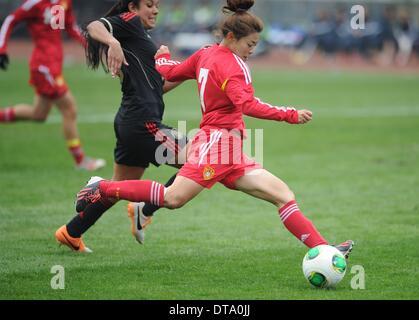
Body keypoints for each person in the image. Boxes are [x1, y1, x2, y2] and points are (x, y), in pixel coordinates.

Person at [57, 0, 354, 258]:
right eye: (250, 44)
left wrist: (160, 57)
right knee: (173, 198)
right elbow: (248, 105)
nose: (253, 50)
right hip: (216, 143)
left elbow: (170, 71)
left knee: (283, 195)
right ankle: (103, 188)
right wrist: (290, 114)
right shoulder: (233, 66)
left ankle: (324, 250)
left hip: (230, 148)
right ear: (231, 36)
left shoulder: (206, 53)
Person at [55, 0, 188, 251]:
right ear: (132, 8)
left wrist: (187, 71)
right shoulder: (130, 22)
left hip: (132, 121)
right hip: (143, 124)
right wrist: (112, 42)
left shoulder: (139, 36)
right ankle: (144, 208)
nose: (156, 10)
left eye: (157, 5)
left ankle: (71, 232)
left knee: (118, 188)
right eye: (149, 4)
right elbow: (94, 26)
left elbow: (157, 88)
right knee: (204, 159)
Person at [0, 0, 105, 171]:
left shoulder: (64, 2)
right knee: (69, 109)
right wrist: (2, 49)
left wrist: (89, 47)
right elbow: (11, 19)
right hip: (44, 67)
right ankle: (81, 161)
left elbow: (71, 27)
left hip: (54, 65)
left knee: (38, 114)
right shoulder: (36, 3)